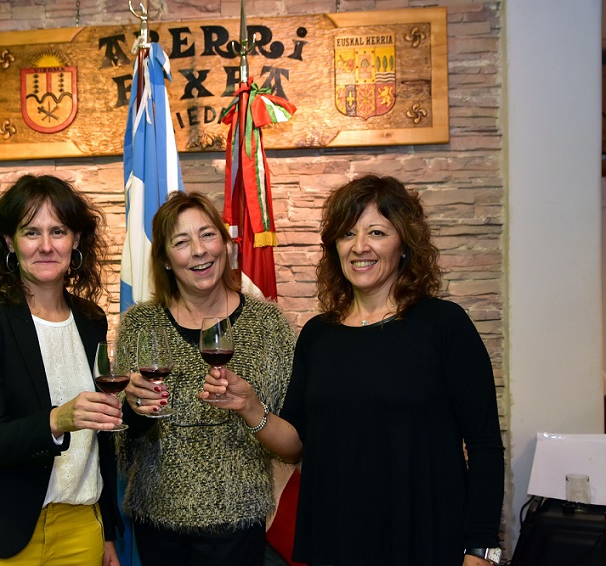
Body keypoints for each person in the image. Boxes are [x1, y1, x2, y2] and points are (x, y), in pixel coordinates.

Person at [203, 175, 505, 566]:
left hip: (424, 540)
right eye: (348, 233)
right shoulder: (318, 334)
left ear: (404, 244)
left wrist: (481, 551)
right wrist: (251, 408)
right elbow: (296, 444)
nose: (360, 247)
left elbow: (484, 446)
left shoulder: (444, 326)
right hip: (337, 541)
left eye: (376, 232)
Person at [0, 174, 122, 566]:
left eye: (58, 231)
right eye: (31, 232)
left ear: (76, 241)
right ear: (9, 241)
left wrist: (107, 531)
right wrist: (57, 419)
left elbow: (99, 438)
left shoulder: (91, 320)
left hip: (81, 527)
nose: (47, 246)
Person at [116, 191, 296, 566]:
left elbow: (294, 441)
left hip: (241, 526)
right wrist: (132, 409)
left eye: (207, 235)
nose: (199, 250)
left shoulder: (269, 325)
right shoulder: (140, 325)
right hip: (157, 525)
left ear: (226, 245)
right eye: (181, 242)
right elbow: (118, 439)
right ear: (165, 260)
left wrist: (250, 408)